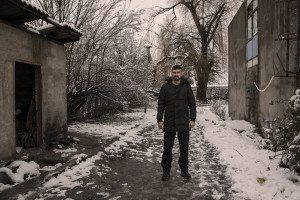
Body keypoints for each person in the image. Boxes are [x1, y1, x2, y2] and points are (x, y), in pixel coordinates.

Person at [157, 65, 196, 181]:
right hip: (169, 122)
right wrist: (159, 120)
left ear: (181, 73)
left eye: (178, 72)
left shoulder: (187, 87)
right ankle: (166, 171)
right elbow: (161, 105)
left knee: (184, 148)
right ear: (171, 73)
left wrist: (192, 119)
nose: (176, 74)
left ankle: (184, 170)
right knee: (167, 149)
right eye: (174, 72)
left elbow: (192, 104)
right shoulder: (165, 88)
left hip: (184, 122)